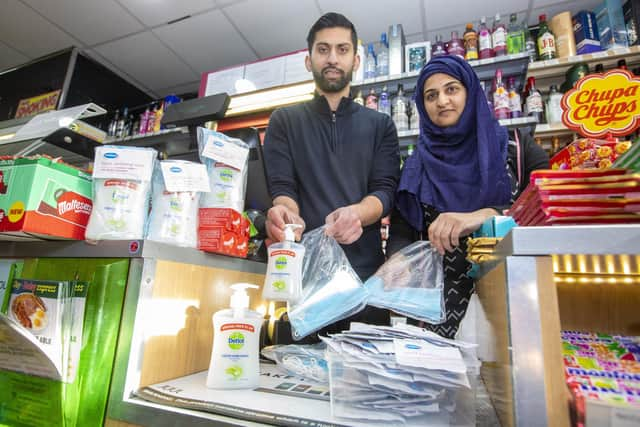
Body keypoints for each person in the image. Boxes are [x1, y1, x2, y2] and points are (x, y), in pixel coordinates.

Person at [388, 55, 549, 339]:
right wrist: (397, 261)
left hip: (515, 299)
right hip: (437, 314)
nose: (442, 101)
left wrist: (482, 216)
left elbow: (546, 209)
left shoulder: (516, 148)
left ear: (470, 92)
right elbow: (402, 229)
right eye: (431, 95)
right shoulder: (416, 167)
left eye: (452, 89)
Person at [263, 12, 400, 329]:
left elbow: (385, 191)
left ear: (356, 59)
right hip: (303, 278)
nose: (333, 58)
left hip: (367, 280)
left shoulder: (380, 125)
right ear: (309, 60)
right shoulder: (284, 120)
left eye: (342, 49)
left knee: (367, 375)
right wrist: (285, 214)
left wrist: (358, 213)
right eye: (323, 50)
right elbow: (283, 187)